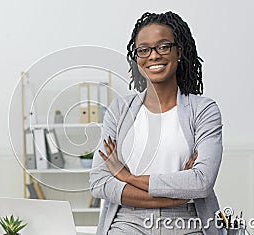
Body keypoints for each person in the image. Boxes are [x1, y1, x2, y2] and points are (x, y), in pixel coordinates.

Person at [90, 11, 223, 235]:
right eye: (144, 49)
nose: (153, 55)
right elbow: (99, 182)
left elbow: (201, 182)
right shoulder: (120, 110)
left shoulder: (204, 110)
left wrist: (127, 177)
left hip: (187, 221)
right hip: (127, 221)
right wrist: (176, 196)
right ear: (136, 57)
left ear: (179, 51)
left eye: (163, 46)